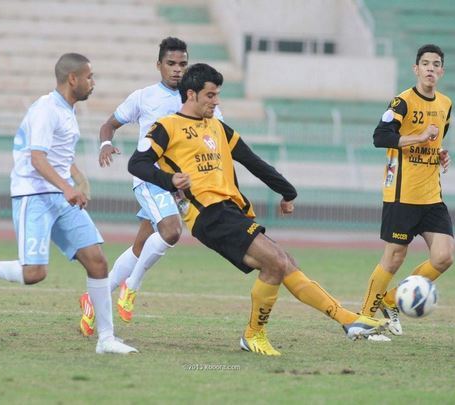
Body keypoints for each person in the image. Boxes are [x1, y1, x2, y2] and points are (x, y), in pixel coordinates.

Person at [127, 63, 388, 356]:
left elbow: (252, 161)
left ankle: (348, 321)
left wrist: (288, 191)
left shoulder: (218, 127)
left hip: (232, 211)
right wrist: (168, 179)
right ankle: (255, 335)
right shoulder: (166, 127)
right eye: (210, 95)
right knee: (275, 262)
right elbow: (135, 163)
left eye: (217, 95)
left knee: (285, 263)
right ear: (191, 94)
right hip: (208, 214)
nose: (216, 101)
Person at [0, 53, 137, 355]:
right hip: (34, 195)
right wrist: (68, 188)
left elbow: (59, 156)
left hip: (59, 195)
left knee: (97, 261)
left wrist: (79, 178)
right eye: (89, 77)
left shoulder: (67, 111)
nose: (92, 83)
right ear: (73, 79)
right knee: (34, 274)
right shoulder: (45, 109)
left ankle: (106, 339)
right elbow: (37, 158)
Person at [78, 37, 223, 336]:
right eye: (170, 63)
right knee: (170, 231)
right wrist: (106, 144)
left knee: (141, 246)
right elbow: (109, 125)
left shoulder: (198, 98)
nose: (176, 69)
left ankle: (93, 298)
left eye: (182, 64)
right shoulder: (144, 97)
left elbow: (219, 137)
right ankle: (130, 289)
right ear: (158, 65)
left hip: (178, 186)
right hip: (150, 179)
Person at [359, 44, 453, 336]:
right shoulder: (402, 102)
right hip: (402, 194)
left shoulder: (445, 104)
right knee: (394, 257)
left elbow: (433, 143)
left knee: (444, 257)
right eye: (425, 63)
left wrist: (439, 153)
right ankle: (364, 321)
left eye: (436, 64)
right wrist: (418, 136)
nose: (430, 68)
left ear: (441, 71)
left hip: (432, 196)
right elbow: (380, 137)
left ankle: (391, 299)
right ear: (416, 69)